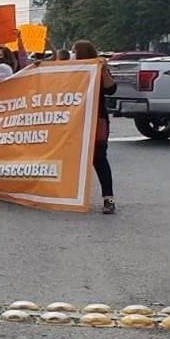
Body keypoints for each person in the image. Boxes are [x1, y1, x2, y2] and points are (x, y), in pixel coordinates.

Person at [73, 40, 118, 214]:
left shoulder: (96, 69)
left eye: (75, 51)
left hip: (96, 119)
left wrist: (102, 68)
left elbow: (110, 88)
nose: (73, 55)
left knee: (99, 158)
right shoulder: (72, 69)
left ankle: (108, 198)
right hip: (76, 120)